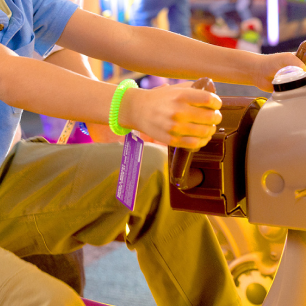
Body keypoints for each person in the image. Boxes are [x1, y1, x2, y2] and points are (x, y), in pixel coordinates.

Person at [0, 1, 304, 306]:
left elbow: (126, 39)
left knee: (158, 174)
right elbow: (7, 74)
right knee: (48, 299)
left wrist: (255, 67)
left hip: (7, 167)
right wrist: (133, 106)